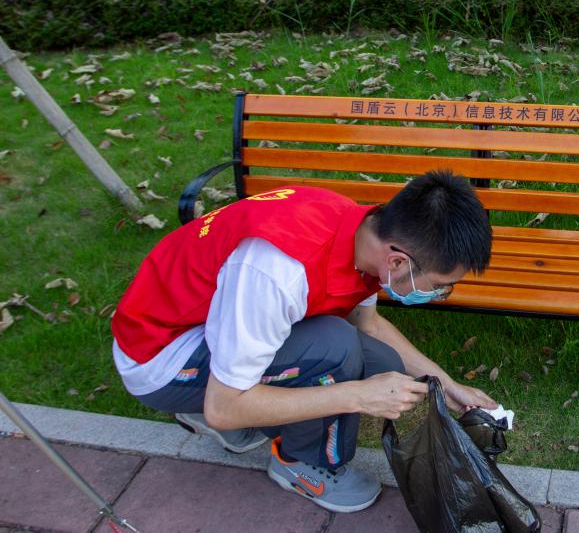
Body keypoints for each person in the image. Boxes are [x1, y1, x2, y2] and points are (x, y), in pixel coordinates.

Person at [111, 170, 497, 513]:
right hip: (161, 359)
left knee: (381, 363)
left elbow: (369, 324)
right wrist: (359, 396)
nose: (438, 293)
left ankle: (241, 399)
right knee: (334, 350)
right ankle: (301, 463)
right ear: (398, 262)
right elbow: (223, 407)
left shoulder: (362, 232)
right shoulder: (279, 270)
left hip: (203, 324)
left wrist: (447, 384)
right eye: (440, 285)